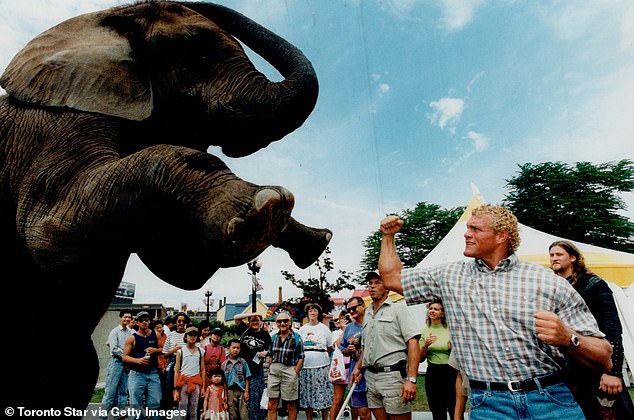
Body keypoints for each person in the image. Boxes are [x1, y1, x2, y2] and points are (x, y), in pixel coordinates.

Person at [378, 204, 613, 419]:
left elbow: (604, 357)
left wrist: (569, 338)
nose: (466, 234)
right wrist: (388, 237)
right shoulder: (449, 276)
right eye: (467, 228)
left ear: (501, 236)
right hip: (490, 405)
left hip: (550, 399)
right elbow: (391, 278)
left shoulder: (547, 281)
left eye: (475, 229)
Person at [549, 240, 634, 419]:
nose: (554, 258)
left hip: (596, 366)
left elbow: (611, 328)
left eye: (558, 254)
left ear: (572, 258)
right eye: (551, 255)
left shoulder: (594, 285)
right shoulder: (552, 288)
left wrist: (612, 371)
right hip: (565, 374)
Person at [350, 272, 420, 420]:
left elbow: (413, 342)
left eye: (377, 282)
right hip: (370, 377)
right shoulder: (368, 312)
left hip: (392, 376)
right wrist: (357, 367)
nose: (372, 286)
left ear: (387, 288)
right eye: (370, 283)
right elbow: (366, 346)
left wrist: (411, 379)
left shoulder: (398, 309)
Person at [419, 296, 457, 420]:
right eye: (431, 308)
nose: (432, 311)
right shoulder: (424, 331)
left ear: (442, 313)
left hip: (450, 371)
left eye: (436, 309)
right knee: (437, 409)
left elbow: (459, 354)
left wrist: (453, 347)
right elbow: (420, 359)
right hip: (433, 372)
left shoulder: (450, 330)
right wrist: (425, 346)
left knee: (454, 407)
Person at [122, 311, 163, 420]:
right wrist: (138, 361)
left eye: (146, 320)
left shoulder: (156, 334)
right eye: (141, 321)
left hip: (153, 373)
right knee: (135, 405)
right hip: (137, 374)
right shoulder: (132, 338)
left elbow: (162, 349)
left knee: (155, 402)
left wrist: (155, 350)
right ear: (137, 323)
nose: (144, 322)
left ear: (149, 321)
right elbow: (124, 356)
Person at [298, 303, 334, 420]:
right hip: (305, 366)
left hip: (322, 365)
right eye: (310, 311)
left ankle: (325, 418)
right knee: (307, 395)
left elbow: (329, 347)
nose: (312, 313)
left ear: (318, 313)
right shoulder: (302, 330)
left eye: (314, 311)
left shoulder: (324, 329)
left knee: (323, 394)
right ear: (307, 313)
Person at [267, 311, 305, 420]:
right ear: (276, 323)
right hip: (274, 371)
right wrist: (271, 368)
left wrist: (295, 372)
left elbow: (301, 357)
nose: (282, 323)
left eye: (285, 321)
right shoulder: (274, 337)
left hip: (289, 370)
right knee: (271, 403)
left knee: (291, 404)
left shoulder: (296, 338)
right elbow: (270, 355)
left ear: (290, 322)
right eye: (279, 321)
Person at [342, 297, 371, 420]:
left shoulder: (372, 323)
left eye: (354, 308)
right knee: (363, 414)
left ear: (363, 306)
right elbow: (343, 349)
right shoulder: (348, 328)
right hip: (356, 375)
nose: (352, 311)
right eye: (349, 309)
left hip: (372, 374)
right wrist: (347, 351)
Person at [239, 313, 272, 420]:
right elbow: (236, 318)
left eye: (257, 320)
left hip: (256, 369)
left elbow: (270, 350)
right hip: (242, 367)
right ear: (249, 322)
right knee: (242, 395)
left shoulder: (265, 334)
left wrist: (264, 353)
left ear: (261, 322)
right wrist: (253, 314)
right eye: (252, 320)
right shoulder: (245, 330)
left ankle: (258, 417)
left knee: (256, 395)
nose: (255, 323)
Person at [101, 309, 133, 418]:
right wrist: (127, 356)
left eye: (129, 317)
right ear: (120, 318)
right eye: (125, 317)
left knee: (123, 391)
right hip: (116, 362)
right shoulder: (114, 331)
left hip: (127, 365)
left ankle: (120, 414)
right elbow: (114, 349)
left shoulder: (131, 333)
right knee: (110, 391)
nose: (127, 319)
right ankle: (102, 416)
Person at [174, 326, 205, 420]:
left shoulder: (201, 351)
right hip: (183, 383)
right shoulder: (180, 351)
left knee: (194, 409)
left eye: (195, 335)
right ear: (186, 336)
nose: (192, 337)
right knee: (182, 409)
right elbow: (176, 371)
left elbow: (202, 370)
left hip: (196, 383)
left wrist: (203, 387)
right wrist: (175, 389)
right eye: (190, 335)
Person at [163, 312, 190, 407]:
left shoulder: (190, 334)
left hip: (187, 364)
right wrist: (173, 350)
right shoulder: (170, 335)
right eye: (179, 321)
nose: (181, 323)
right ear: (176, 322)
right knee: (170, 388)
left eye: (183, 321)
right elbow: (164, 354)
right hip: (173, 363)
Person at [221, 339, 252, 420]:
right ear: (228, 348)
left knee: (244, 414)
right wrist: (225, 395)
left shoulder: (243, 362)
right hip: (230, 391)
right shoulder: (224, 364)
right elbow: (223, 381)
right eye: (233, 347)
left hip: (241, 390)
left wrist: (246, 392)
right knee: (232, 413)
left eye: (238, 348)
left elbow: (247, 377)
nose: (236, 350)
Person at [330, 309, 351, 420]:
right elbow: (337, 344)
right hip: (341, 367)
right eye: (343, 319)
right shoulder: (336, 333)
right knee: (337, 399)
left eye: (347, 318)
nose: (345, 320)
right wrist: (345, 330)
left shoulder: (358, 329)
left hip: (352, 366)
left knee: (355, 399)